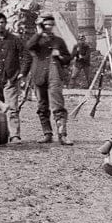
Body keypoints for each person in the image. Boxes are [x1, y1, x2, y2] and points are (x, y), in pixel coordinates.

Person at [26, 13, 72, 145]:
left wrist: (60, 57)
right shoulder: (36, 40)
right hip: (39, 75)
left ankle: (62, 135)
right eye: (46, 25)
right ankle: (47, 133)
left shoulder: (58, 41)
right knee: (42, 105)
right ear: (41, 25)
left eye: (51, 25)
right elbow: (29, 47)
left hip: (54, 75)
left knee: (58, 104)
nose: (49, 27)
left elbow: (67, 58)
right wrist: (39, 33)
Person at [0, 11, 23, 143]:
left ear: (6, 24)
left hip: (10, 79)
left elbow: (26, 56)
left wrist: (22, 72)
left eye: (2, 22)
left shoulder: (14, 39)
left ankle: (14, 135)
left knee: (12, 108)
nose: (0, 25)